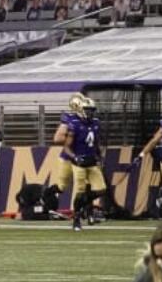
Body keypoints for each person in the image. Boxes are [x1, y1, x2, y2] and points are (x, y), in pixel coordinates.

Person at [63, 96, 105, 232]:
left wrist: (100, 156)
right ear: (81, 110)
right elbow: (67, 147)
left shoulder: (96, 123)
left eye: (92, 110)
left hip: (92, 161)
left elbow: (97, 142)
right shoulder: (74, 124)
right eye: (88, 110)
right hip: (79, 163)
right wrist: (75, 157)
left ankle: (82, 206)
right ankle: (76, 218)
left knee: (101, 189)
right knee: (80, 192)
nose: (90, 112)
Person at [44, 93, 85, 213]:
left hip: (83, 157)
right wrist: (72, 135)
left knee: (83, 186)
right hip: (68, 156)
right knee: (61, 186)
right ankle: (45, 196)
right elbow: (57, 139)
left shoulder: (90, 120)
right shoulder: (69, 119)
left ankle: (84, 211)